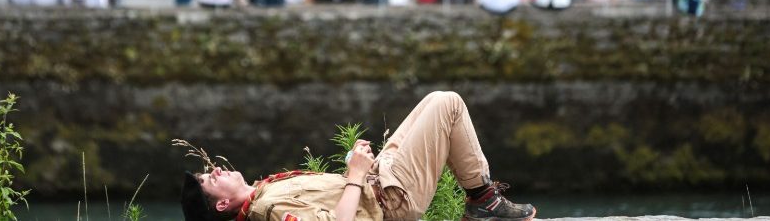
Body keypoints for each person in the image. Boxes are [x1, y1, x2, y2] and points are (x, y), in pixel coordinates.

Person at [180, 91, 536, 221]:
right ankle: (483, 200)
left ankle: (483, 200)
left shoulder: (261, 192)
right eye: (208, 180)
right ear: (222, 206)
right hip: (391, 201)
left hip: (378, 179)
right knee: (448, 104)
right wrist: (354, 173)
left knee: (432, 101)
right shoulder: (265, 210)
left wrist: (360, 165)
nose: (214, 170)